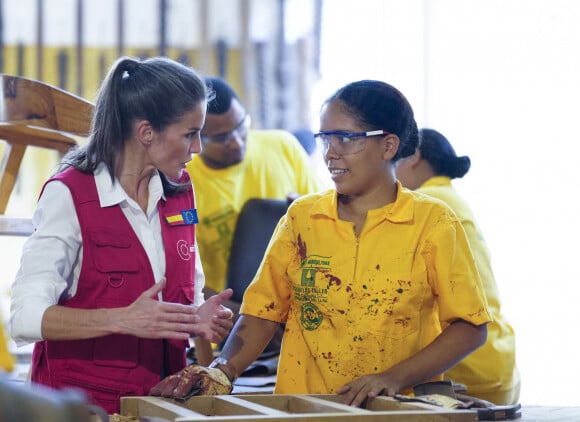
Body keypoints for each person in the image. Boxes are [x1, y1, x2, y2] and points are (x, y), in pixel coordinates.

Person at [150, 79, 491, 407]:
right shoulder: (303, 218)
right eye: (325, 139)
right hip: (307, 408)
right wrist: (223, 371)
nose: (330, 154)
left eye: (344, 138)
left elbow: (470, 326)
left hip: (395, 409)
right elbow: (262, 314)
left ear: (388, 145)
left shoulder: (433, 223)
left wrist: (393, 377)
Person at [9, 56, 235, 414]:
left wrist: (196, 318)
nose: (198, 149)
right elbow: (23, 317)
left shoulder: (180, 189)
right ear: (147, 132)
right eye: (190, 135)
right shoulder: (69, 194)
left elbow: (181, 291)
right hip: (82, 409)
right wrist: (121, 319)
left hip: (160, 405)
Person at [186, 77, 325, 364]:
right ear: (196, 137)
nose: (236, 142)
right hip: (226, 323)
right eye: (220, 138)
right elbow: (181, 271)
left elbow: (327, 227)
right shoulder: (183, 178)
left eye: (241, 127)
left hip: (297, 316)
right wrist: (244, 316)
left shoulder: (282, 147)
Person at [394, 127, 520, 405]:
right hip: (494, 356)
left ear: (414, 155)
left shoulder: (429, 205)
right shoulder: (450, 198)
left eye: (394, 159)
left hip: (465, 360)